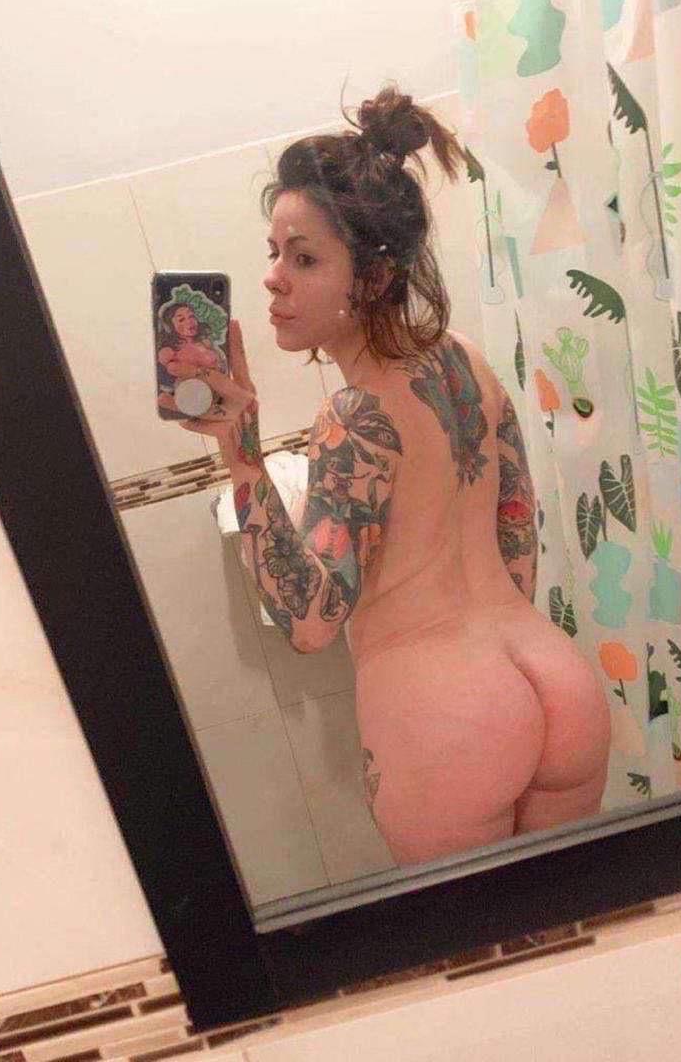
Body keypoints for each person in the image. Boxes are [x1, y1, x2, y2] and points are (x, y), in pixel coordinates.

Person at [180, 86, 610, 865]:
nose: (274, 278)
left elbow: (309, 624)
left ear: (374, 279)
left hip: (447, 715)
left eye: (304, 257)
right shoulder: (465, 359)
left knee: (478, 944)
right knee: (584, 927)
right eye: (273, 252)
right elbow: (517, 525)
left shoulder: (352, 415)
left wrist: (241, 453)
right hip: (553, 676)